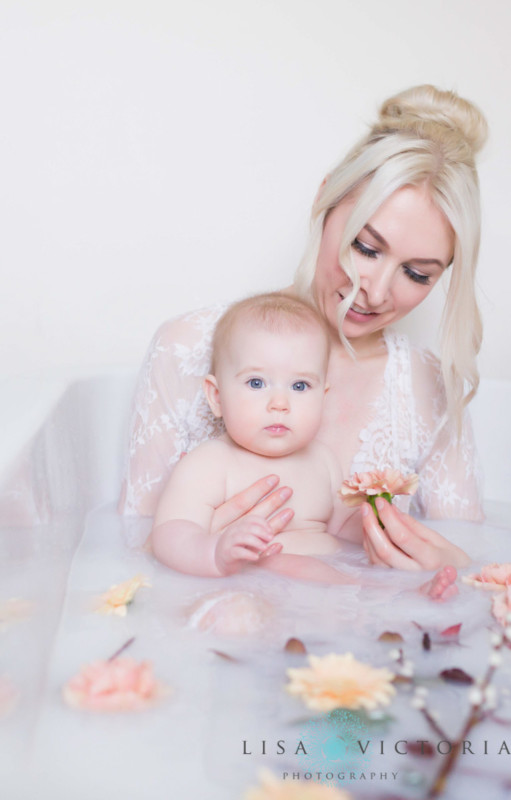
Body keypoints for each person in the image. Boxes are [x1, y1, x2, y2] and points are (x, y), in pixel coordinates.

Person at [120, 83, 487, 571]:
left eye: (418, 273)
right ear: (325, 200)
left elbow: (474, 560)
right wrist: (210, 548)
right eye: (366, 247)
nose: (374, 291)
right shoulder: (188, 348)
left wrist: (452, 565)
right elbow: (122, 559)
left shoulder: (428, 387)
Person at [151, 293, 358, 582]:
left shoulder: (322, 460)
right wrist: (214, 553)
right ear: (217, 397)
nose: (279, 403)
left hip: (329, 587)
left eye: (300, 385)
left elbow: (344, 527)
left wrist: (375, 525)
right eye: (256, 383)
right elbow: (169, 534)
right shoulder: (210, 464)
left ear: (323, 397)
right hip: (250, 589)